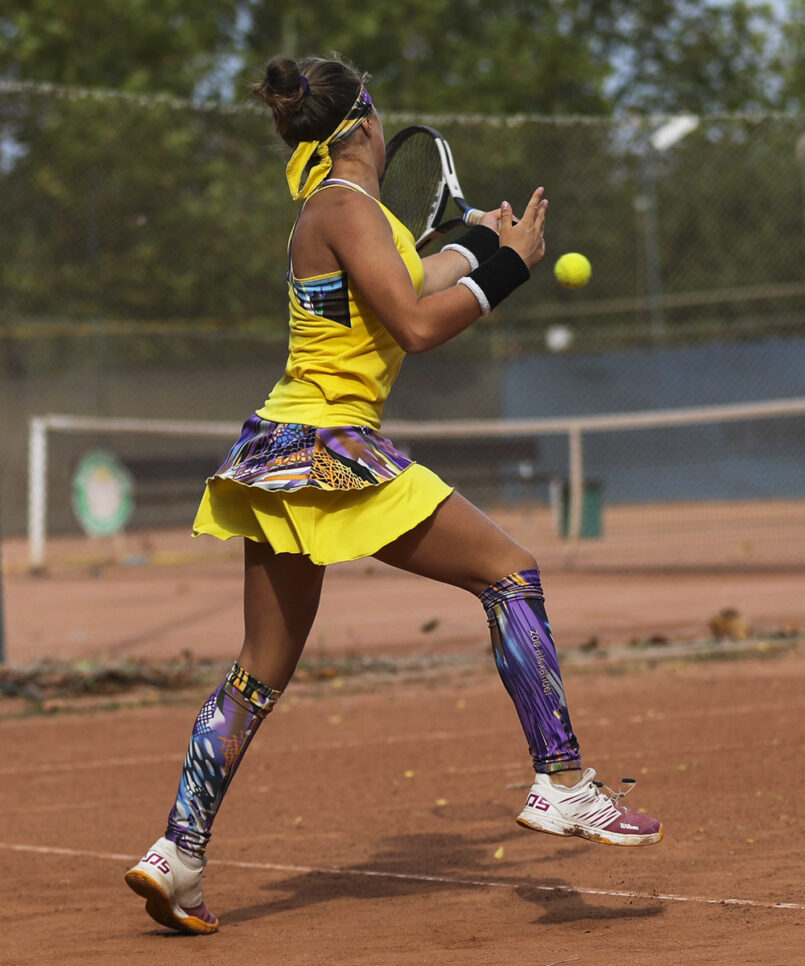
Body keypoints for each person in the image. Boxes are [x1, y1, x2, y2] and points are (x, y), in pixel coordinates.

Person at [124, 54, 663, 936]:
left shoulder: (335, 210)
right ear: (368, 125)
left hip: (275, 450)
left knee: (260, 670)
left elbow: (410, 277)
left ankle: (177, 852)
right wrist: (510, 270)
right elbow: (415, 324)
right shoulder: (345, 209)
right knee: (510, 573)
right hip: (333, 449)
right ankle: (562, 783)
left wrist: (482, 239)